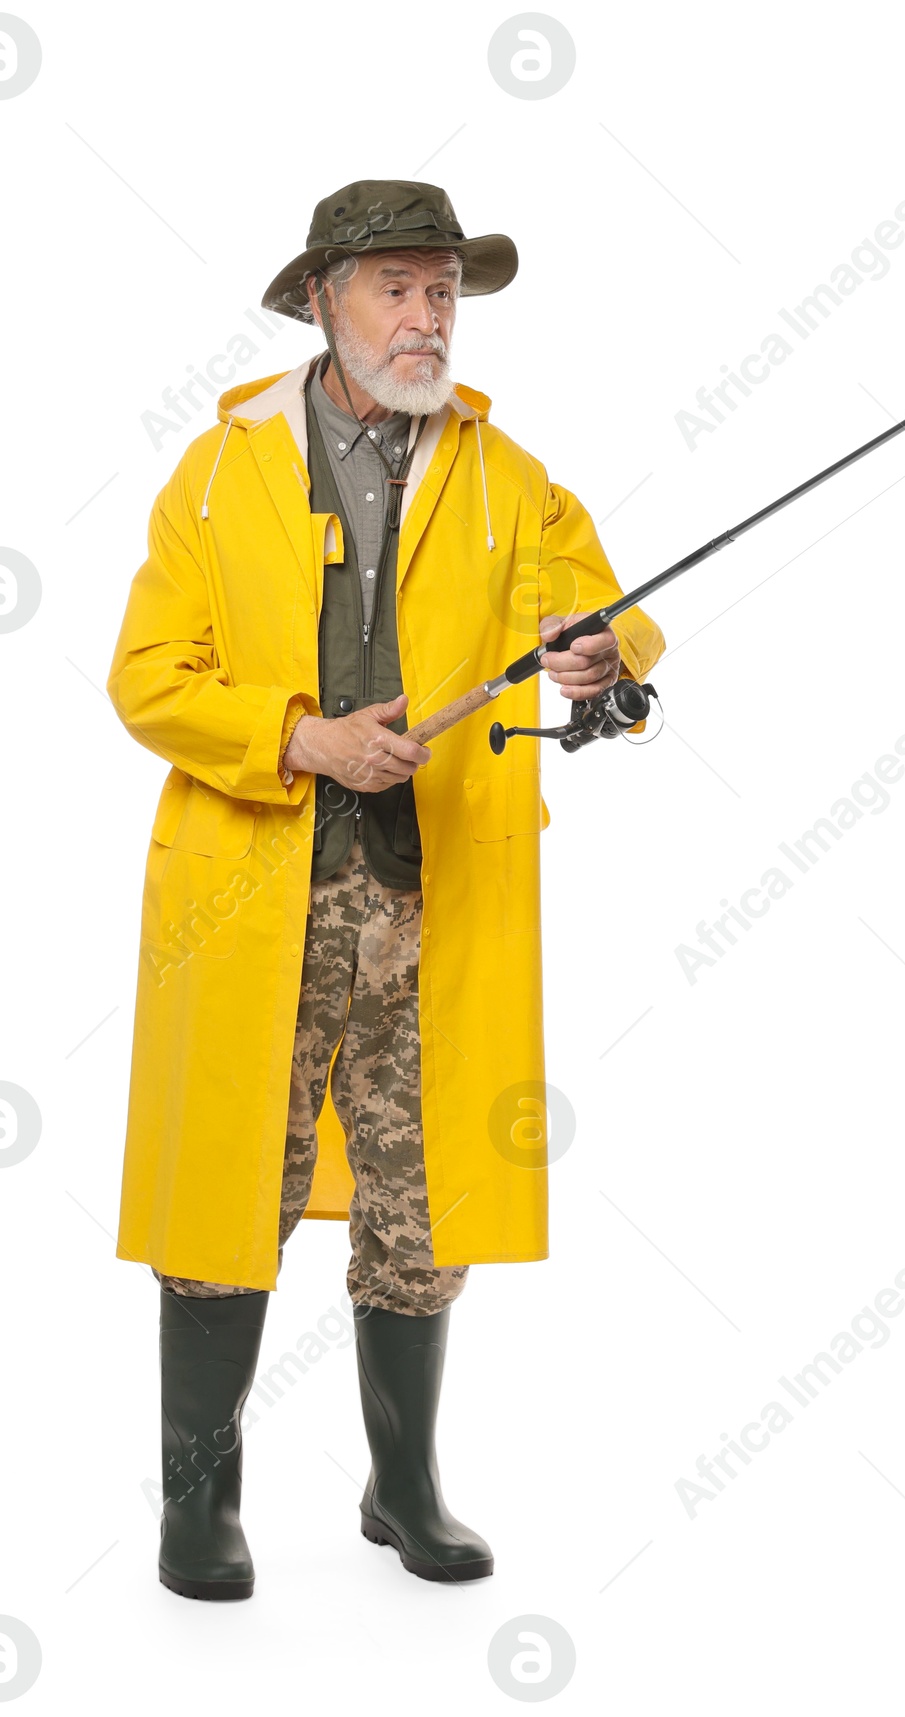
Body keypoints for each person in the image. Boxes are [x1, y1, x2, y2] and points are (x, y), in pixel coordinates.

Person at [107, 181, 664, 1600]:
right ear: (321, 302)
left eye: (446, 293)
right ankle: (197, 1500)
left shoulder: (507, 474)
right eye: (400, 290)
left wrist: (595, 653)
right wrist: (302, 735)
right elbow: (147, 678)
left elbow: (600, 605)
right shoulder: (216, 471)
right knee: (225, 1202)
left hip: (436, 898)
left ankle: (400, 1484)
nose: (430, 319)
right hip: (251, 899)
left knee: (421, 1212)